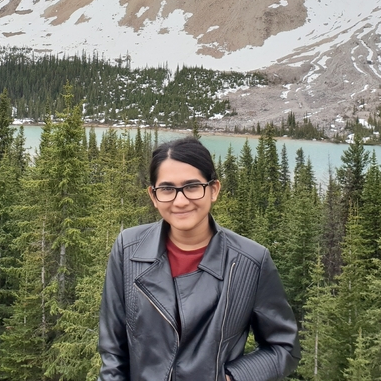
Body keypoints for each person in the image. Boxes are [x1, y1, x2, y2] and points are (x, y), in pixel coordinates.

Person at [98, 135, 299, 381]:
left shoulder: (250, 262)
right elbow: (112, 352)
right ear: (153, 196)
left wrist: (233, 377)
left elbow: (284, 347)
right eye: (167, 189)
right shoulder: (128, 250)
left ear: (213, 190)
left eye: (192, 186)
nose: (180, 201)